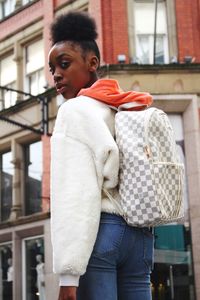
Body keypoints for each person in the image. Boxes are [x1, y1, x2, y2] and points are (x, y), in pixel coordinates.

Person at [49, 11, 154, 300]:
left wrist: (68, 276)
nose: (57, 74)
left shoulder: (74, 111)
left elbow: (75, 194)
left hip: (101, 234)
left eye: (64, 63)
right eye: (52, 69)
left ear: (92, 62)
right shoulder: (124, 108)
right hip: (140, 236)